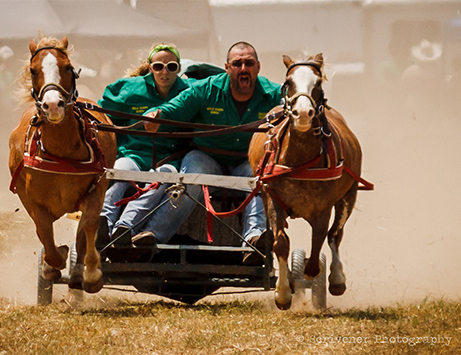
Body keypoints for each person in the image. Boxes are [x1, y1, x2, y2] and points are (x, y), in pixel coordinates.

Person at [127, 41, 281, 261]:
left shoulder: (275, 95)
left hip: (247, 161)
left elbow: (298, 114)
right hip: (207, 156)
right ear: (227, 68)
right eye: (237, 64)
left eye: (249, 63)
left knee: (260, 179)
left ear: (258, 67)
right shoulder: (205, 90)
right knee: (191, 179)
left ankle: (253, 242)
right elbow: (174, 108)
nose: (243, 69)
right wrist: (156, 114)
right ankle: (151, 235)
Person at [97, 43, 195, 246]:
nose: (165, 72)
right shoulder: (129, 89)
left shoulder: (191, 91)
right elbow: (103, 116)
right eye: (159, 66)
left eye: (172, 67)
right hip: (133, 154)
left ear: (179, 69)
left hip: (169, 159)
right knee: (119, 172)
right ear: (150, 68)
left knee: (161, 179)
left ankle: (125, 227)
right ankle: (103, 224)